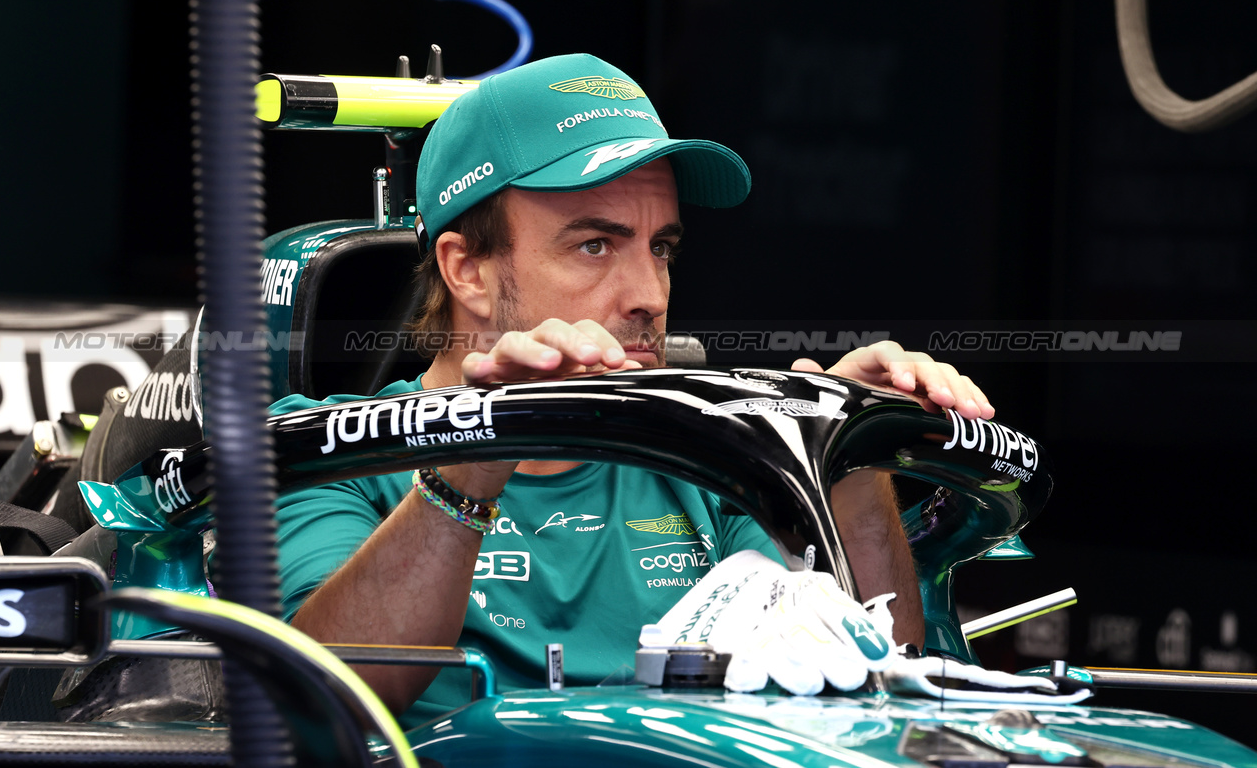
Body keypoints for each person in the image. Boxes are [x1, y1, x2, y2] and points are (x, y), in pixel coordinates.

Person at [273, 53, 995, 725]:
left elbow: (866, 684)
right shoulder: (325, 450)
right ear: (468, 270)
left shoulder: (711, 458)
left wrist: (843, 451)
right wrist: (479, 449)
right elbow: (326, 702)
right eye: (595, 245)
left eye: (662, 247)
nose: (650, 293)